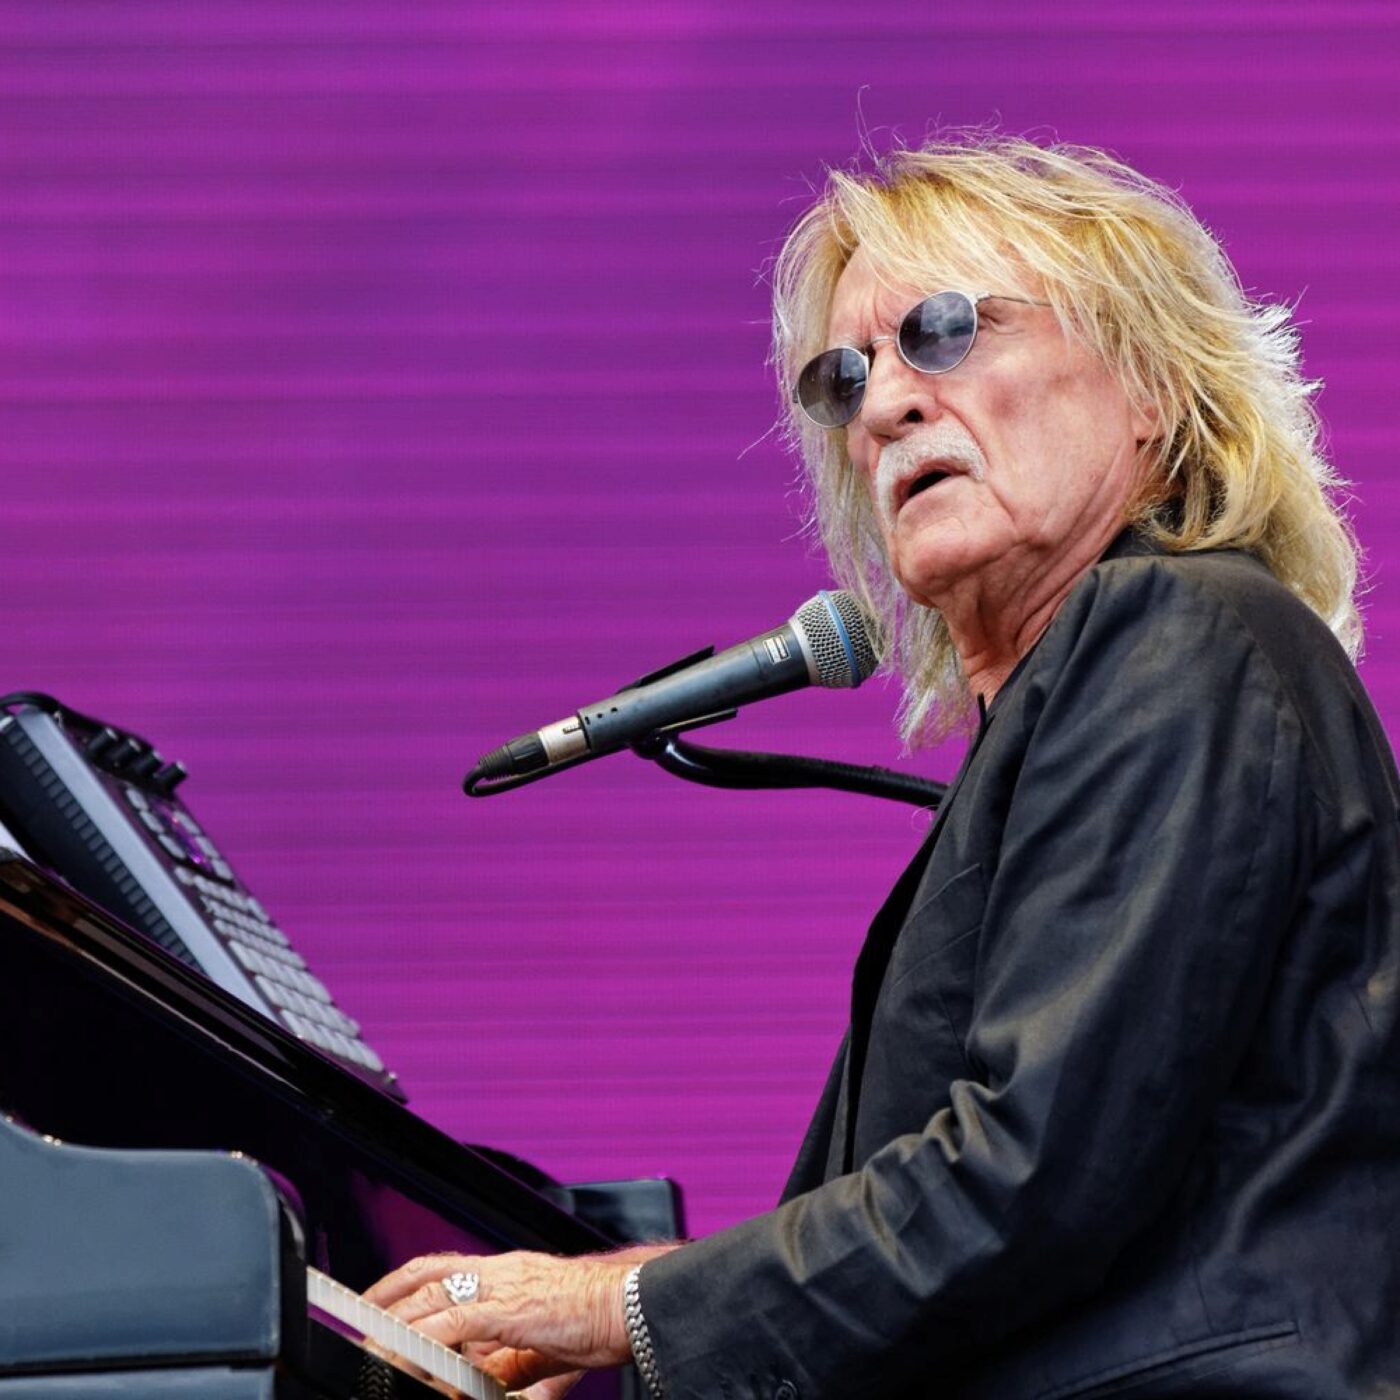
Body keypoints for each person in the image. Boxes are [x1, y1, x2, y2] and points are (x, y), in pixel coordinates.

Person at [365, 135, 1400, 1397]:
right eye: (843, 374)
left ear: (1150, 384)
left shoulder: (1171, 627)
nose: (883, 404)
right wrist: (654, 1318)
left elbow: (1030, 1172)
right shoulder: (1120, 679)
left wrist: (621, 1304)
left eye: (945, 330)